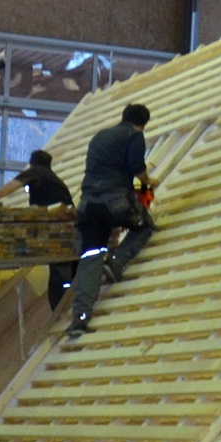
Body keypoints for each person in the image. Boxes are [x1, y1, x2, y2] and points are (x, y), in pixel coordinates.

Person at [67, 103, 154, 337]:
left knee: (90, 258)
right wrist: (148, 182)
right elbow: (137, 167)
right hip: (115, 202)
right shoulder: (134, 136)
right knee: (145, 226)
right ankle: (115, 262)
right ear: (143, 124)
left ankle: (79, 319)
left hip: (88, 206)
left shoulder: (100, 136)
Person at [0, 150, 75, 309]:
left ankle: (60, 312)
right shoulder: (57, 181)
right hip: (71, 234)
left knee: (58, 284)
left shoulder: (35, 172)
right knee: (65, 276)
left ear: (31, 163)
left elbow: (6, 190)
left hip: (54, 232)